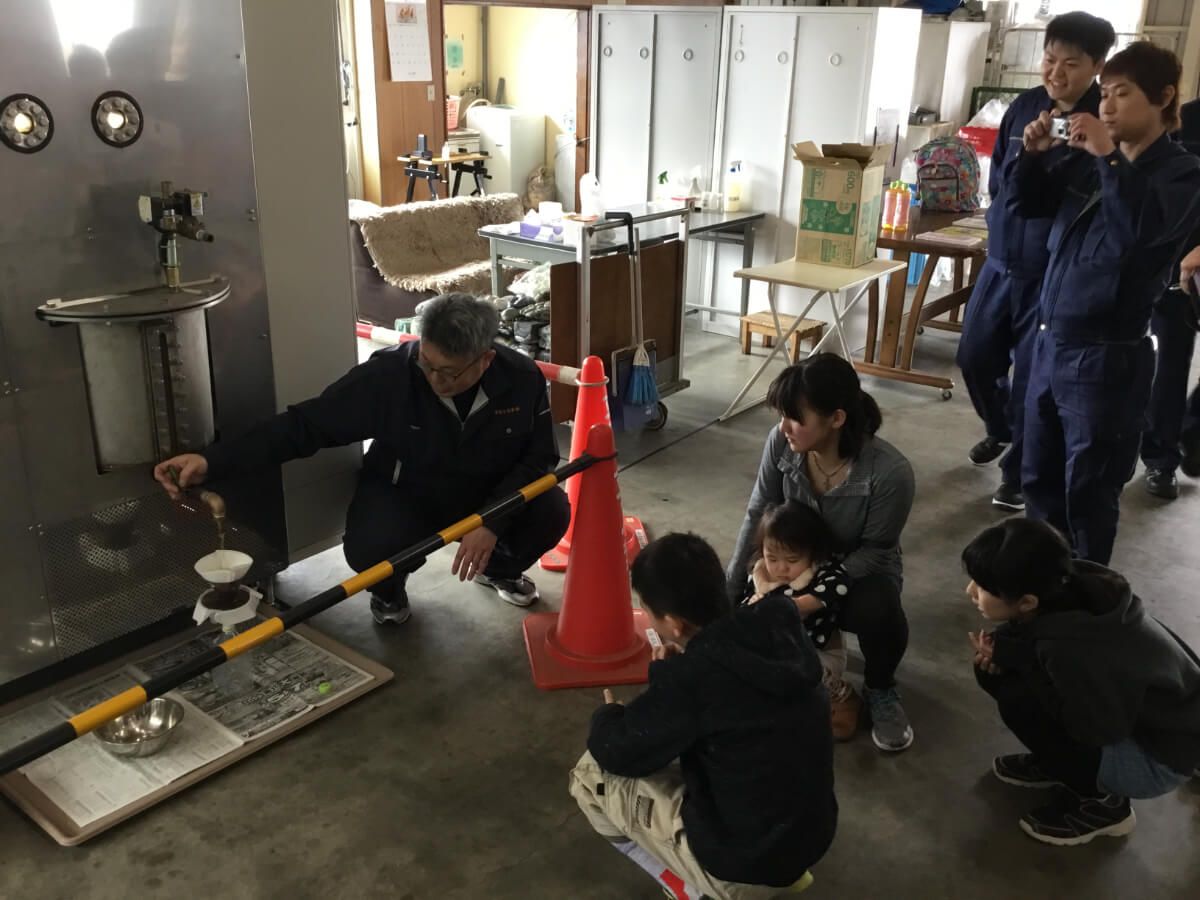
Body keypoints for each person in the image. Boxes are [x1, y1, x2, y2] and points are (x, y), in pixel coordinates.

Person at [153, 293, 570, 623]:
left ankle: (495, 567)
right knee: (371, 549)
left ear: (486, 360)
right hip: (408, 492)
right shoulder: (388, 376)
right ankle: (389, 591)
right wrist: (212, 461)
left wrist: (491, 521)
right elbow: (305, 426)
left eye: (450, 373)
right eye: (427, 363)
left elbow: (539, 458)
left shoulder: (521, 378)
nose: (434, 380)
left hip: (486, 491)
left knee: (551, 509)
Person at [1012, 42, 1200, 564]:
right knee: (1039, 484)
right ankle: (1038, 602)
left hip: (1105, 359)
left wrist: (1109, 157)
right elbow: (1027, 207)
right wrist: (1031, 157)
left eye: (1123, 94)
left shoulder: (1181, 175)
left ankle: (1088, 615)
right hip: (1050, 344)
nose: (1108, 106)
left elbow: (1137, 238)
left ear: (1163, 99)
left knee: (1088, 495)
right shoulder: (1088, 163)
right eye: (1107, 94)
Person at [570, 533, 836, 900]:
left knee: (589, 776)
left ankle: (696, 890)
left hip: (746, 863)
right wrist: (679, 675)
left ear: (674, 624)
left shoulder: (694, 677)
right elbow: (728, 693)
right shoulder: (777, 619)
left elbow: (618, 749)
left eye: (649, 611)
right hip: (811, 835)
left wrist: (610, 714)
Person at [957, 12, 1115, 512]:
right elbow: (1002, 180)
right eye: (1050, 59)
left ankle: (1018, 474)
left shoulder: (1100, 122)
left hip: (1051, 274)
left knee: (1031, 380)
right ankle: (1001, 429)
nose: (1056, 72)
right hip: (1002, 258)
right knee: (975, 356)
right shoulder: (1024, 106)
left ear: (1097, 66)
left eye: (1071, 63)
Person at [963, 518, 1200, 847]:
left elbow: (1099, 730)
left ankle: (1106, 807)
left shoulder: (1069, 647)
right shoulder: (1069, 586)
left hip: (1160, 761)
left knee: (1019, 699)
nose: (970, 592)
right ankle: (1060, 765)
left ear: (1028, 601)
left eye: (984, 587)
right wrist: (1010, 656)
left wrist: (1022, 663)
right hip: (1159, 726)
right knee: (1004, 677)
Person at [727, 353, 916, 752]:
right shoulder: (781, 443)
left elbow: (878, 552)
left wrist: (816, 594)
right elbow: (759, 512)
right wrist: (730, 595)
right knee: (747, 610)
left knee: (880, 609)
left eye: (797, 417)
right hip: (790, 566)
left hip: (857, 573)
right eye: (782, 415)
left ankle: (880, 689)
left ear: (837, 419)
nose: (784, 427)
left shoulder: (889, 474)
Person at [742, 501, 855, 740]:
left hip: (820, 655)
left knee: (797, 672)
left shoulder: (822, 573)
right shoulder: (760, 576)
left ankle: (842, 695)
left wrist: (797, 605)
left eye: (792, 560)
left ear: (812, 554)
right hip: (778, 656)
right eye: (772, 558)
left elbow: (840, 584)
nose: (781, 568)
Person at [1141, 97, 1200, 499]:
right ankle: (1156, 457)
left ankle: (1176, 447)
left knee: (1175, 368)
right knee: (1163, 365)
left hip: (1191, 263)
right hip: (1165, 262)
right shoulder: (1188, 118)